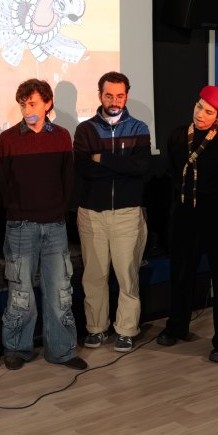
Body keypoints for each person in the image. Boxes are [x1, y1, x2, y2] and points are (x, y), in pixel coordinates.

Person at [0, 79, 87, 370]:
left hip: (55, 225)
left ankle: (62, 350)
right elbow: (1, 183)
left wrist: (58, 210)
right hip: (21, 226)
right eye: (23, 104)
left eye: (32, 103)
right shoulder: (8, 139)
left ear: (47, 103)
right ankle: (17, 348)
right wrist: (17, 210)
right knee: (20, 291)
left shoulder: (61, 136)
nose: (26, 109)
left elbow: (67, 178)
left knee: (60, 290)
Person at [157, 85, 218, 363]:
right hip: (185, 214)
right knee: (181, 271)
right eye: (199, 107)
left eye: (209, 112)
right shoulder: (177, 136)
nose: (200, 114)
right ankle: (177, 326)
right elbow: (173, 173)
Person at [74, 71, 151, 353]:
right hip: (91, 214)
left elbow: (141, 168)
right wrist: (121, 165)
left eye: (120, 95)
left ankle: (126, 330)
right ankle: (96, 328)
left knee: (127, 276)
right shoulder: (85, 130)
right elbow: (84, 169)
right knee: (94, 275)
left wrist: (102, 158)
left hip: (127, 214)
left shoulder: (139, 128)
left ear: (126, 96)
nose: (114, 101)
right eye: (109, 95)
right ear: (100, 95)